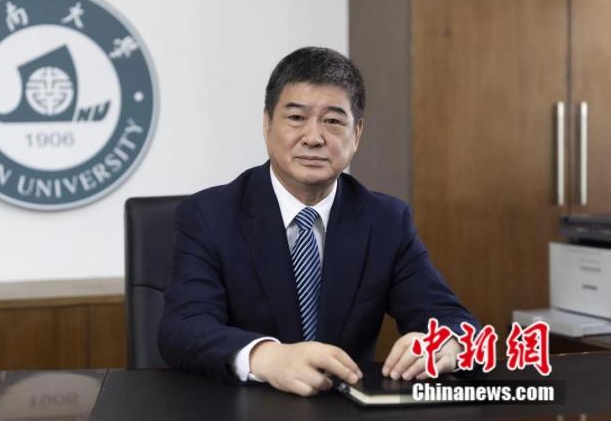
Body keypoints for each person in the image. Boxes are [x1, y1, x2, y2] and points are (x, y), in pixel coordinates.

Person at [159, 47, 479, 397]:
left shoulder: (386, 221)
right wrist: (267, 356)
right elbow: (182, 327)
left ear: (356, 134)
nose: (313, 138)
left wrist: (445, 344)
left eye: (333, 121)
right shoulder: (210, 215)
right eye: (296, 117)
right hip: (244, 405)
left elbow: (453, 320)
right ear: (267, 124)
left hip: (345, 407)